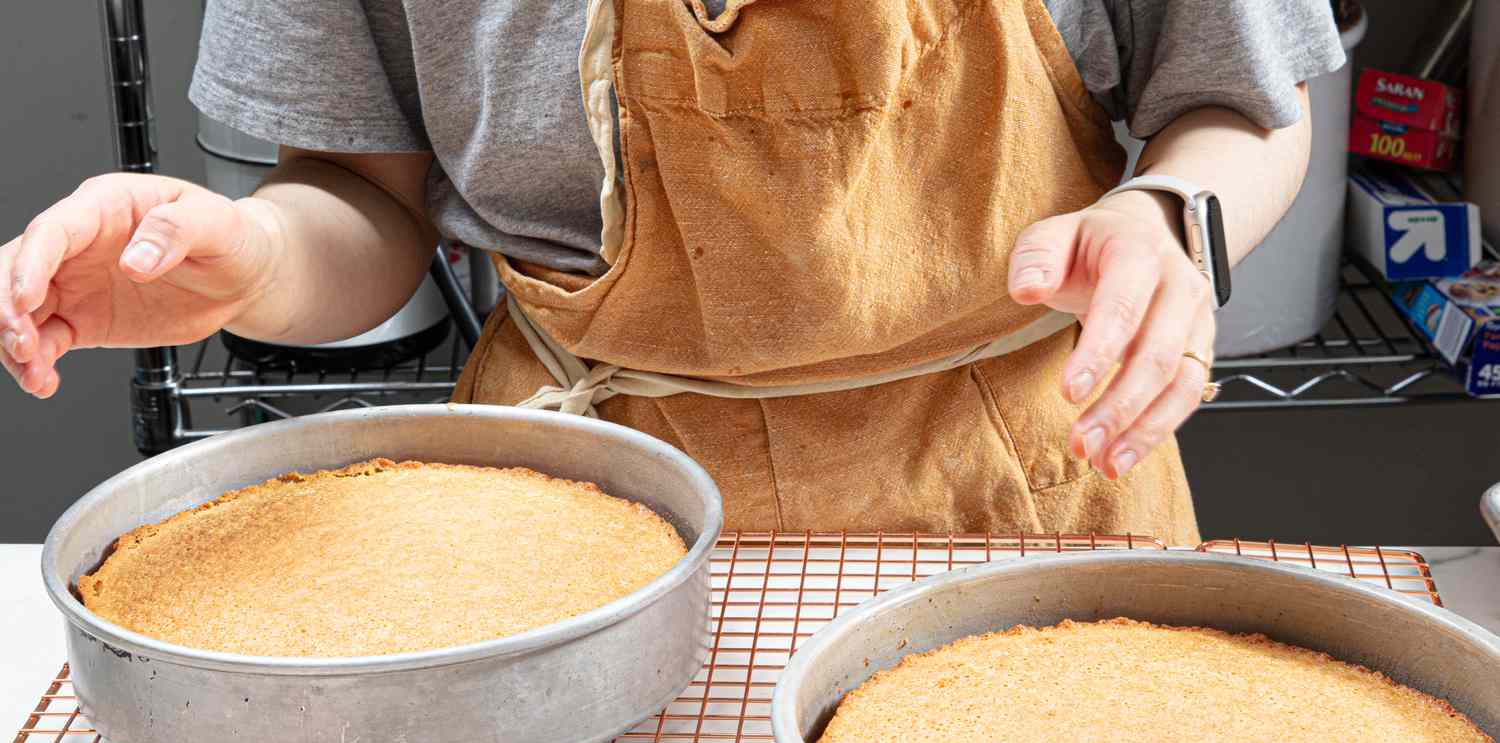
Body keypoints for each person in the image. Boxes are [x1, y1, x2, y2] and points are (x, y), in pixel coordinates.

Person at [0, 1, 1344, 543]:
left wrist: (1175, 218)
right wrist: (255, 263)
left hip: (1026, 486)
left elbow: (1236, 105)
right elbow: (360, 197)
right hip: (585, 515)